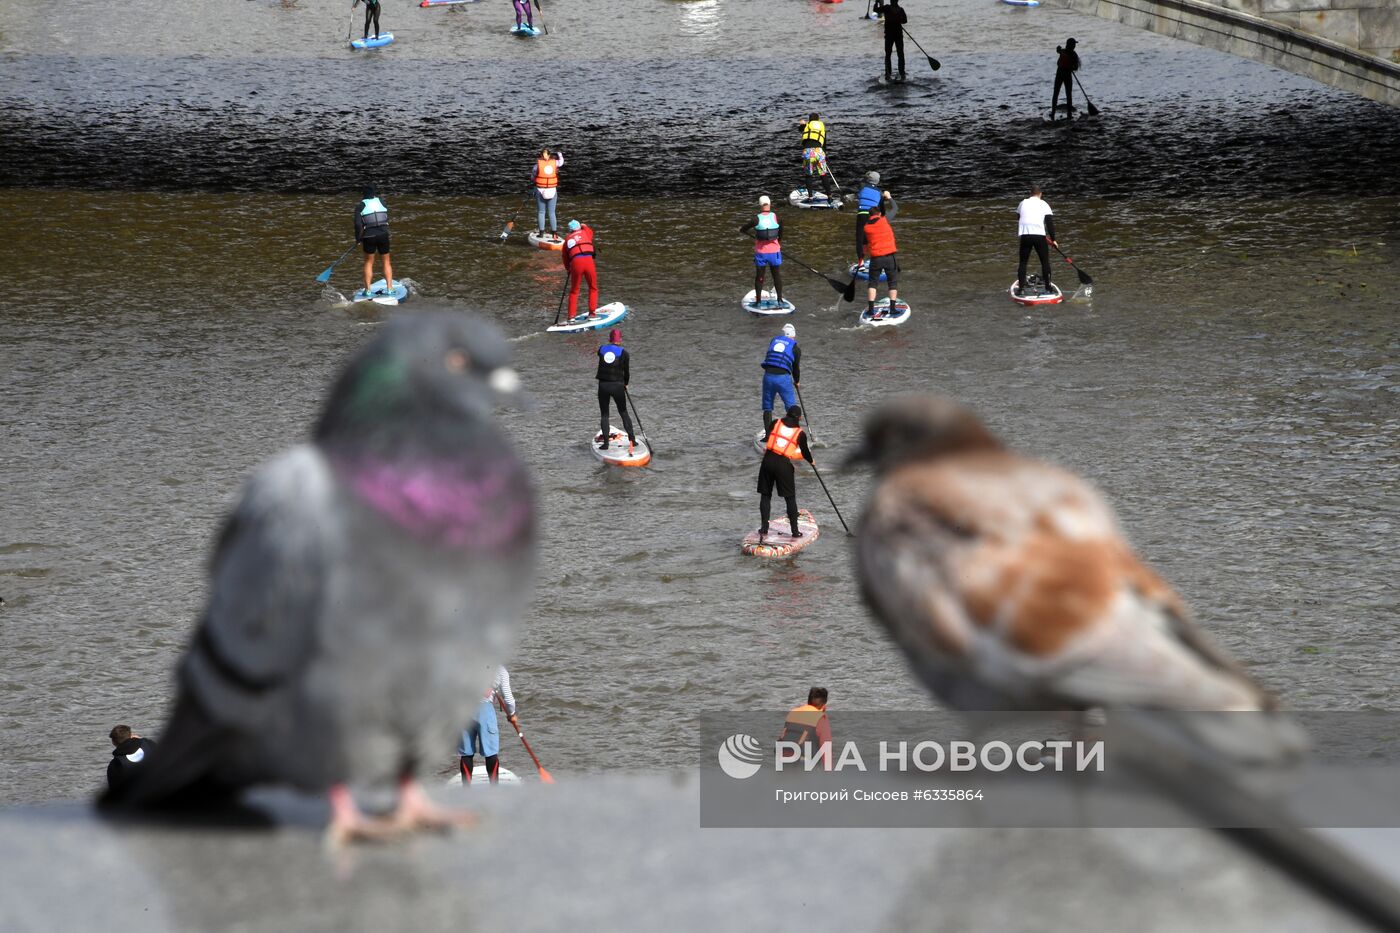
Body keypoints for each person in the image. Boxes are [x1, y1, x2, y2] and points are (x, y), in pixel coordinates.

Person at [757, 405, 814, 543]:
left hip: (768, 461)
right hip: (783, 465)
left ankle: (764, 528)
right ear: (799, 418)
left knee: (766, 495)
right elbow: (805, 452)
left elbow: (771, 435)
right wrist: (811, 461)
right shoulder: (800, 433)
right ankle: (795, 532)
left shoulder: (775, 423)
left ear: (787, 414)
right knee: (790, 498)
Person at [459, 666, 519, 785]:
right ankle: (494, 791)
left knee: (466, 753)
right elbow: (509, 699)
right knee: (491, 753)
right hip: (485, 712)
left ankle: (465, 791)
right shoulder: (500, 670)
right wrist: (511, 714)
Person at [595, 327, 636, 451]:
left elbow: (604, 357)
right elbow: (626, 372)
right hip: (617, 386)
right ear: (620, 339)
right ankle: (632, 440)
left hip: (603, 386)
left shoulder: (601, 349)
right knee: (623, 412)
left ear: (609, 339)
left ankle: (606, 444)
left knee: (605, 415)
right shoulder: (624, 353)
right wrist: (626, 384)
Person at [741, 195, 784, 309]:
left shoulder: (756, 219)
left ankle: (758, 302)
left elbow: (743, 229)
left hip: (761, 253)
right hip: (775, 253)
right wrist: (777, 244)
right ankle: (779, 300)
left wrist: (751, 235)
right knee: (776, 276)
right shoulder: (777, 218)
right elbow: (781, 235)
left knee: (760, 277)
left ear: (760, 205)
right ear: (770, 204)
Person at [1016, 183, 1057, 295]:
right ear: (1040, 194)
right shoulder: (1044, 204)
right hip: (1039, 236)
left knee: (1023, 262)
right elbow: (1049, 224)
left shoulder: (1022, 203)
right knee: (1045, 262)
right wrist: (1053, 240)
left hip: (1025, 235)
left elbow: (1019, 218)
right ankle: (1048, 288)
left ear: (1030, 193)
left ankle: (1021, 289)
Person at [862, 200, 900, 319]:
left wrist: (861, 260)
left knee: (872, 283)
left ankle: (871, 310)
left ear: (870, 216)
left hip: (875, 259)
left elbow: (864, 246)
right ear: (879, 214)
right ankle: (892, 309)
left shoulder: (866, 227)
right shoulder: (885, 220)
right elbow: (895, 208)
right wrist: (889, 198)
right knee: (892, 283)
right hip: (889, 257)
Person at [778, 688, 832, 770]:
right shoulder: (820, 717)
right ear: (824, 705)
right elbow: (826, 748)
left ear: (808, 701)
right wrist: (829, 774)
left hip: (782, 757)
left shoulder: (793, 712)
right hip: (803, 761)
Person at [354, 184, 393, 295]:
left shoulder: (360, 206)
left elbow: (358, 225)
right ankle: (390, 288)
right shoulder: (382, 202)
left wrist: (358, 238)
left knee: (368, 262)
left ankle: (368, 290)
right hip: (383, 235)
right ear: (374, 194)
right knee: (386, 262)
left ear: (363, 195)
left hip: (368, 237)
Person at [760, 323, 801, 430]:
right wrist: (797, 381)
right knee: (791, 407)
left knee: (767, 407)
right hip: (783, 379)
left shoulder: (773, 341)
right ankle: (792, 434)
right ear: (793, 335)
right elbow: (795, 368)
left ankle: (768, 436)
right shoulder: (795, 348)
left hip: (768, 377)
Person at [563, 219, 598, 322]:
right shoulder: (586, 232)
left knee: (574, 291)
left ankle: (571, 317)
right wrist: (584, 225)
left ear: (570, 231)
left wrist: (568, 268)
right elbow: (590, 231)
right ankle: (592, 314)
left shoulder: (567, 239)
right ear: (579, 227)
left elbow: (565, 257)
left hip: (575, 263)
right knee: (593, 287)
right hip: (588, 261)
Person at [106, 725, 157, 791]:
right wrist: (140, 740)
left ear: (113, 742)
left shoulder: (115, 764)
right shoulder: (148, 744)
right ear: (131, 735)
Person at [799, 113, 834, 200]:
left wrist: (802, 124)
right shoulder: (821, 127)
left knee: (808, 175)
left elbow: (800, 129)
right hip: (819, 151)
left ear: (810, 120)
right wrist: (824, 155)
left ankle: (810, 197)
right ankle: (829, 196)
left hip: (808, 152)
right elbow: (824, 143)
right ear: (818, 120)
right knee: (823, 175)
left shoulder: (807, 126)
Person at [853, 171, 886, 264]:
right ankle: (876, 258)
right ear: (877, 181)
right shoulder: (880, 193)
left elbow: (860, 188)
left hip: (862, 214)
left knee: (860, 238)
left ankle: (860, 262)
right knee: (872, 238)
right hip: (874, 217)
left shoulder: (862, 186)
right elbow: (882, 211)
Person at [532, 147, 564, 237]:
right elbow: (561, 162)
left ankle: (541, 233)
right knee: (552, 212)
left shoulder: (537, 165)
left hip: (540, 189)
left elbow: (533, 176)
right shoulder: (556, 163)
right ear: (549, 155)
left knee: (541, 212)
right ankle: (554, 233)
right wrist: (560, 154)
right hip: (552, 190)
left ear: (541, 156)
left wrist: (535, 183)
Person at [874, 0, 907, 82]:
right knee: (900, 54)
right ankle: (901, 74)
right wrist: (897, 20)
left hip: (890, 35)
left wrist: (876, 3)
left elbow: (875, 10)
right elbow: (904, 20)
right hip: (897, 34)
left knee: (889, 54)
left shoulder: (887, 8)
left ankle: (889, 74)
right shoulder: (900, 9)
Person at [1051, 38, 1080, 121]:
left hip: (1067, 74)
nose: (1074, 46)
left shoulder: (1074, 55)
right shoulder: (1063, 51)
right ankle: (1053, 113)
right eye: (1073, 44)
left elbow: (1076, 67)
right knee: (1056, 93)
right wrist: (1058, 48)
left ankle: (1069, 114)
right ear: (1069, 45)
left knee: (1068, 94)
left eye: (1075, 44)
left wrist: (1071, 66)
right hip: (1060, 73)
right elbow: (1058, 50)